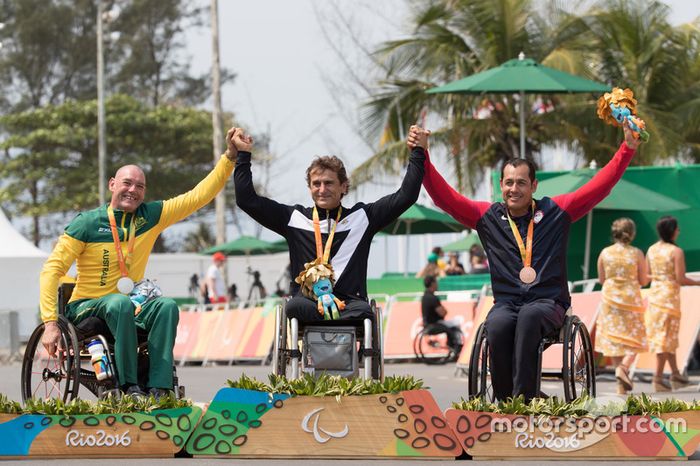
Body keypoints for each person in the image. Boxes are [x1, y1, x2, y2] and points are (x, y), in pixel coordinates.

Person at [412, 122, 642, 401]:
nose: (514, 189)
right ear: (500, 186)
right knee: (496, 324)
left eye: (521, 182)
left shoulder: (556, 211)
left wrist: (627, 148)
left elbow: (599, 187)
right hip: (507, 304)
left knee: (530, 316)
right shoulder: (487, 217)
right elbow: (444, 198)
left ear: (534, 185)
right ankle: (506, 400)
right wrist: (422, 154)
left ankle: (526, 399)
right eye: (509, 182)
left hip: (548, 303)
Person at [39, 128, 238, 397]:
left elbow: (198, 196)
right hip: (87, 308)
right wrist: (50, 324)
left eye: (139, 186)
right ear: (112, 184)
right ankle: (127, 386)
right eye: (127, 183)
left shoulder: (151, 217)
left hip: (128, 307)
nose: (133, 190)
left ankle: (159, 386)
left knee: (166, 306)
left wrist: (229, 158)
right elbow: (52, 271)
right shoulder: (87, 223)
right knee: (118, 302)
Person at [233, 126, 425, 322]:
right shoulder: (294, 218)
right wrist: (243, 155)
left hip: (349, 303)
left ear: (343, 186)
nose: (322, 189)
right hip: (307, 302)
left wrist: (418, 152)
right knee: (294, 306)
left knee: (365, 312)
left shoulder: (363, 218)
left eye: (329, 183)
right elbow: (246, 200)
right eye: (316, 184)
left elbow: (406, 196)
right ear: (309, 188)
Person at [646, 216, 700, 391]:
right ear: (671, 230)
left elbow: (647, 275)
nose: (679, 231)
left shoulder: (652, 250)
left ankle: (676, 374)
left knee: (665, 338)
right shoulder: (676, 252)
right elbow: (681, 278)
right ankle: (658, 378)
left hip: (655, 298)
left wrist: (660, 278)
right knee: (666, 339)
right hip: (669, 298)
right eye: (677, 228)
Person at [595, 218, 648, 394]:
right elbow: (643, 280)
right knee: (635, 338)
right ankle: (623, 368)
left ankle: (620, 381)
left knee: (615, 339)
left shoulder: (605, 252)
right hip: (631, 299)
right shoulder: (637, 253)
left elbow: (602, 280)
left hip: (610, 298)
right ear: (631, 233)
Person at [421, 275, 463, 357]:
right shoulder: (432, 298)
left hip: (427, 324)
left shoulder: (425, 296)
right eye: (436, 282)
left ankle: (453, 345)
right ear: (432, 284)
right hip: (434, 324)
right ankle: (455, 346)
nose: (437, 284)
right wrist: (444, 310)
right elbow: (443, 313)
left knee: (450, 325)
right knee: (454, 326)